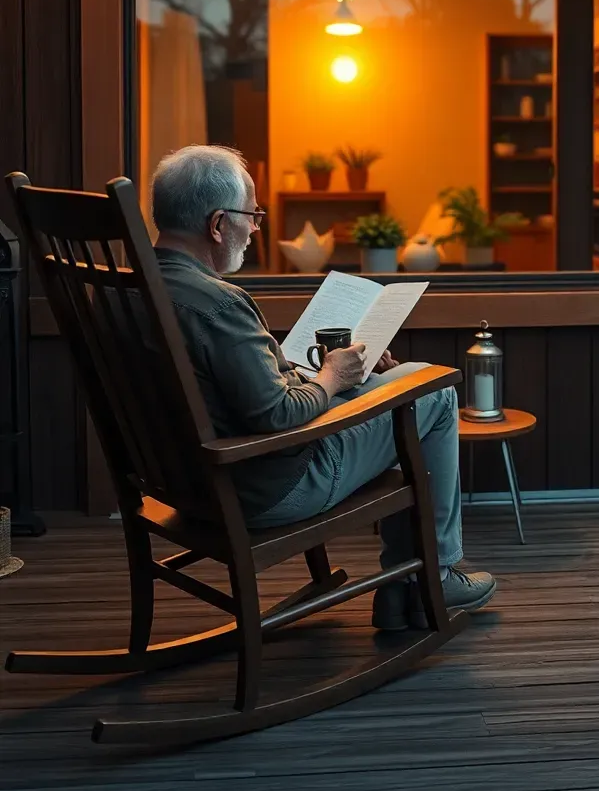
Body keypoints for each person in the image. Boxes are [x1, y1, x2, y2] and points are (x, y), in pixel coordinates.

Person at [150, 144, 496, 631]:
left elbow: (224, 386)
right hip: (267, 485)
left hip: (182, 484)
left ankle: (406, 589)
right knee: (432, 393)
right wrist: (331, 378)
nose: (254, 230)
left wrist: (344, 374)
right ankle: (428, 580)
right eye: (251, 217)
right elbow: (275, 416)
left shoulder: (132, 291)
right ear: (217, 224)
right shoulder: (218, 303)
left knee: (400, 376)